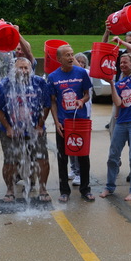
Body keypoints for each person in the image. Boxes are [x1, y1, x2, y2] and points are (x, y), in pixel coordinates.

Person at [0, 58, 52, 202]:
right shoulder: (4, 85)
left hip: (34, 128)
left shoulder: (39, 83)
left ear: (31, 69)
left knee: (42, 159)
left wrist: (39, 126)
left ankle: (43, 188)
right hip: (11, 130)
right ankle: (10, 189)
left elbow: (46, 105)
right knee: (10, 162)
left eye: (26, 68)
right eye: (21, 68)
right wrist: (8, 127)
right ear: (14, 69)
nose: (24, 71)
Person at [99, 37, 131, 201]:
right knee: (113, 156)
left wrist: (120, 42)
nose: (122, 65)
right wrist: (112, 84)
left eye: (125, 63)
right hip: (122, 123)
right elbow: (118, 103)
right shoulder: (119, 83)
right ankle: (109, 187)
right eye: (121, 63)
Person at [47, 44, 94, 203]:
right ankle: (64, 191)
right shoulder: (53, 77)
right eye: (67, 55)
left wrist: (82, 100)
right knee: (63, 157)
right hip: (63, 122)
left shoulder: (81, 73)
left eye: (72, 55)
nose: (70, 58)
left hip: (80, 121)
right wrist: (56, 122)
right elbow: (52, 102)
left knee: (83, 155)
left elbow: (87, 94)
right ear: (59, 59)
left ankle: (85, 189)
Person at [69, 52, 92, 186]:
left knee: (80, 144)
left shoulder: (86, 73)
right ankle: (73, 169)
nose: (80, 64)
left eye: (82, 62)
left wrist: (70, 58)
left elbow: (81, 70)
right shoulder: (71, 77)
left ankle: (79, 172)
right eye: (78, 61)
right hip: (71, 114)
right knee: (71, 143)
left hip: (84, 115)